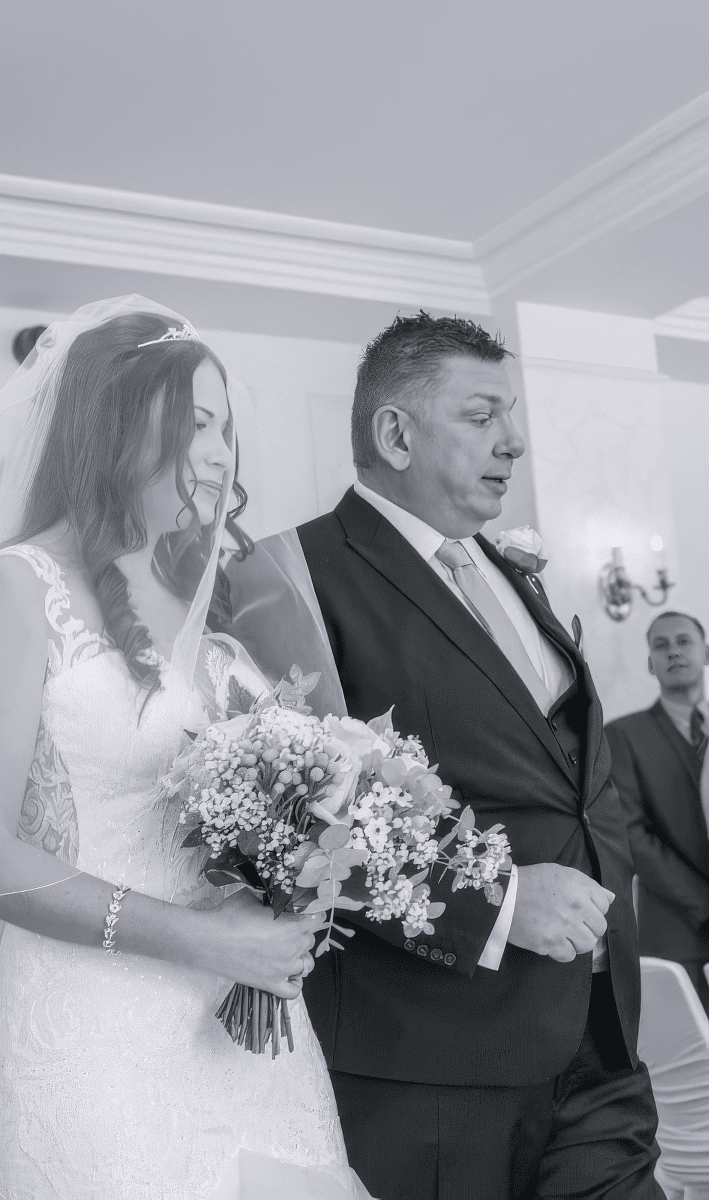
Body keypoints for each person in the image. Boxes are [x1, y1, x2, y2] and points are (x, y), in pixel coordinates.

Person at [0, 298, 371, 1200]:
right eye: (196, 420)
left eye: (226, 427)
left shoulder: (219, 609)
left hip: (245, 1039)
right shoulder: (11, 589)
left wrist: (313, 863)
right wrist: (201, 939)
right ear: (115, 422)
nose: (218, 450)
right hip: (93, 1037)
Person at [297, 313, 663, 1200]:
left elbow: (572, 775)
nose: (516, 441)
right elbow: (290, 822)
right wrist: (494, 905)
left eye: (514, 415)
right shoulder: (297, 574)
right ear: (394, 433)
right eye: (482, 414)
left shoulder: (507, 566)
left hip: (597, 1034)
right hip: (433, 1056)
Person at [606, 611, 709, 1014]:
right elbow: (631, 835)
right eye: (660, 645)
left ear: (705, 652)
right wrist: (702, 904)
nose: (673, 652)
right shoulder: (623, 736)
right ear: (650, 663)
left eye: (684, 641)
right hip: (676, 929)